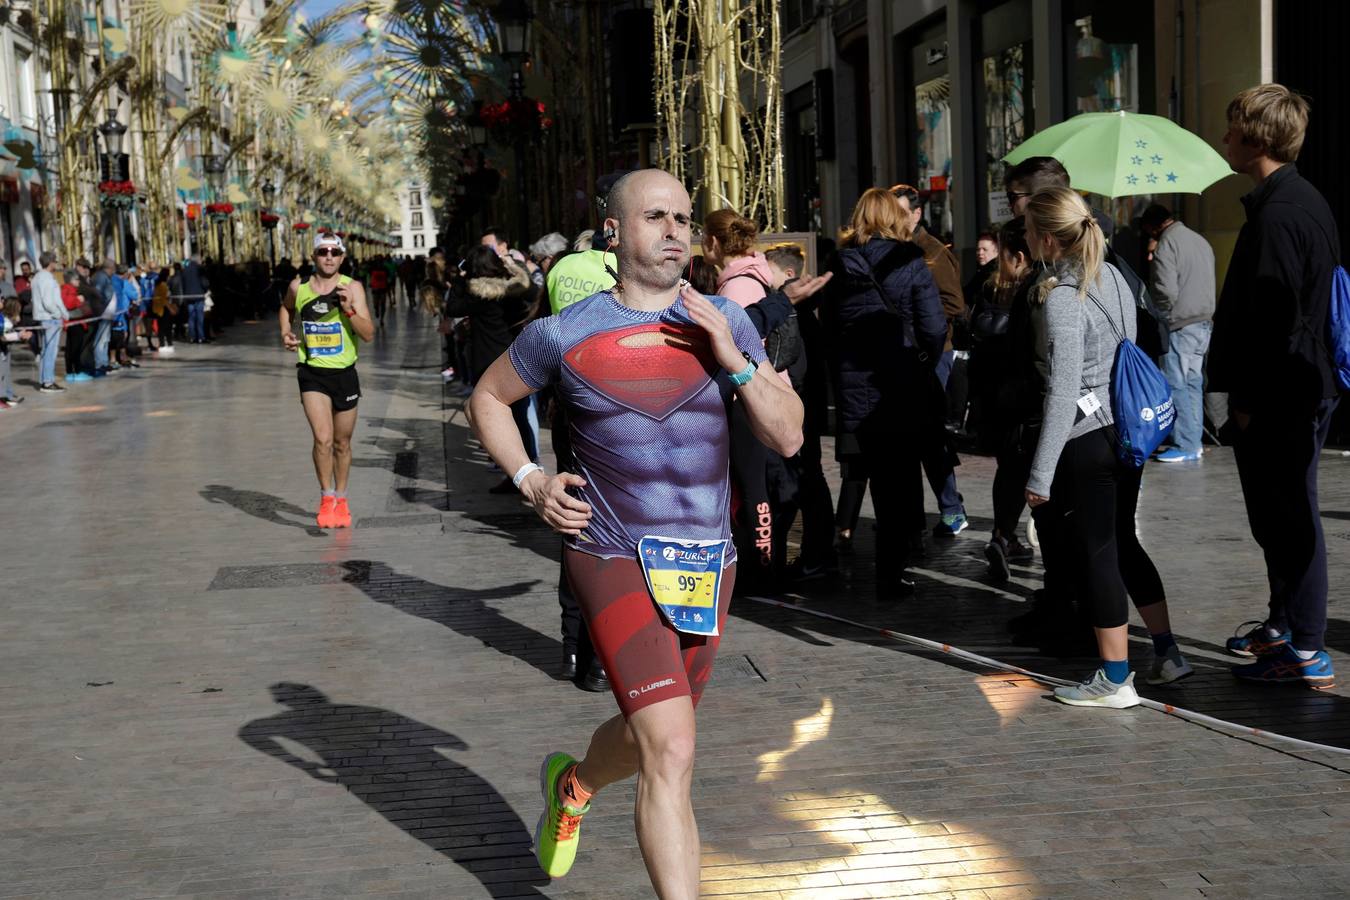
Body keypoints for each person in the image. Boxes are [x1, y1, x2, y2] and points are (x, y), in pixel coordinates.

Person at [469, 168, 802, 896]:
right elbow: (488, 398)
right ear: (614, 232)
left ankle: (575, 787)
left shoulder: (728, 318)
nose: (676, 230)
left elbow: (787, 437)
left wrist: (734, 358)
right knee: (673, 747)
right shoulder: (563, 332)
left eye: (684, 217)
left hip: (708, 562)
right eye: (657, 216)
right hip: (611, 550)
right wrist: (531, 480)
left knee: (655, 734)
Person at [1021, 187, 1191, 708]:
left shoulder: (1063, 303)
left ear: (1048, 238)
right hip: (1127, 431)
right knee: (1123, 541)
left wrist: (1039, 476)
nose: (1023, 239)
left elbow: (1062, 392)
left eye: (1027, 230)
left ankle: (1116, 679)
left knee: (1099, 552)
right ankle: (1167, 651)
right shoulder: (1115, 277)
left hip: (1088, 440)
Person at [1207, 84, 1340, 689]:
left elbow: (1277, 321)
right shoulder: (1285, 202)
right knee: (1277, 518)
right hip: (1289, 390)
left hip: (1282, 396)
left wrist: (1248, 404)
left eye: (1232, 129)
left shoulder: (1285, 212)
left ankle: (1308, 648)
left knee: (1290, 518)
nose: (1224, 137)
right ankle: (1285, 627)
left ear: (1256, 137)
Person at [822, 188, 946, 596]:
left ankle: (882, 560)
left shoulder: (839, 263)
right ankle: (893, 569)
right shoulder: (908, 259)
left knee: (871, 475)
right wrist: (923, 355)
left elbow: (830, 327)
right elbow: (933, 324)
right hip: (900, 383)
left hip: (855, 385)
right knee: (901, 478)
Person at [279, 232, 375, 529]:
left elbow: (369, 334)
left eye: (334, 252)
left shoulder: (353, 287)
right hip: (312, 373)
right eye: (323, 252)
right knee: (322, 438)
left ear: (343, 257)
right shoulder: (299, 287)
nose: (329, 257)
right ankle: (326, 496)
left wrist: (348, 309)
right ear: (314, 257)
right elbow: (286, 309)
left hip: (345, 374)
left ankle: (342, 499)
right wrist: (287, 332)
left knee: (341, 443)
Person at [891, 184, 969, 537]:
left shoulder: (933, 253)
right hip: (907, 354)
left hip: (935, 353)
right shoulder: (896, 250)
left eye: (901, 213)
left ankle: (952, 508)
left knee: (932, 435)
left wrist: (922, 320)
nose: (894, 220)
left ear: (917, 214)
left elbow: (954, 303)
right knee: (910, 436)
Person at [977, 218, 1040, 581]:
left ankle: (1003, 535)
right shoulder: (1038, 289)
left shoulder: (991, 286)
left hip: (999, 396)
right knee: (1033, 471)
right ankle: (1011, 537)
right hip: (1024, 398)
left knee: (1010, 470)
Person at [1141, 204, 1216, 462]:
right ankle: (1193, 441)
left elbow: (1166, 292)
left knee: (1176, 383)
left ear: (1152, 227)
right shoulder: (1200, 240)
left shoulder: (1166, 245)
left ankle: (1186, 443)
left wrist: (1157, 316)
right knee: (1193, 382)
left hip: (1179, 324)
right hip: (1203, 322)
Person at [31, 251, 66, 393]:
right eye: (55, 261)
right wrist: (58, 314)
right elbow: (48, 301)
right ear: (50, 262)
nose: (56, 263)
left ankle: (44, 379)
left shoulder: (38, 277)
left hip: (44, 317)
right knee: (51, 350)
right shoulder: (45, 278)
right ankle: (48, 381)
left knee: (46, 349)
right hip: (50, 317)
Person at [0, 298, 32, 407]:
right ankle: (3, 397)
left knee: (5, 373)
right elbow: (2, 337)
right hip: (2, 349)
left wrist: (20, 336)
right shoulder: (4, 321)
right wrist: (19, 336)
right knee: (1, 374)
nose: (2, 302)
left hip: (4, 349)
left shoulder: (7, 320)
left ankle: (5, 396)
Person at [179, 255, 210, 344]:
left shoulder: (185, 270)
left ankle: (192, 337)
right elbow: (204, 282)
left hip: (189, 297)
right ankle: (201, 337)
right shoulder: (200, 269)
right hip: (199, 295)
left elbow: (183, 284)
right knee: (200, 317)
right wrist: (206, 289)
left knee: (191, 318)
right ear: (197, 260)